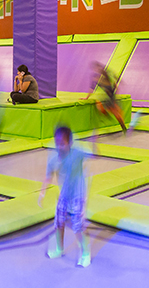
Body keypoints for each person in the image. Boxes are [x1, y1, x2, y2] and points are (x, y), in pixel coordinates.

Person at [38, 126, 93, 268]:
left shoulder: (77, 153)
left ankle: (86, 253)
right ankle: (59, 248)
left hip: (78, 194)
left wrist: (94, 140)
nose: (59, 147)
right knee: (59, 222)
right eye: (57, 143)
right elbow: (48, 176)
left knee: (77, 226)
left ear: (70, 143)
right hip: (64, 194)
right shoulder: (54, 158)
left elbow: (93, 154)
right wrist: (42, 192)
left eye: (62, 143)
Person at [87, 62, 125, 132]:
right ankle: (113, 119)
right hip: (110, 95)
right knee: (104, 107)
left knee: (115, 112)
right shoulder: (98, 77)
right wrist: (87, 97)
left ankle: (121, 125)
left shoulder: (102, 76)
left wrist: (117, 86)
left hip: (111, 95)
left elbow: (114, 80)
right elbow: (92, 88)